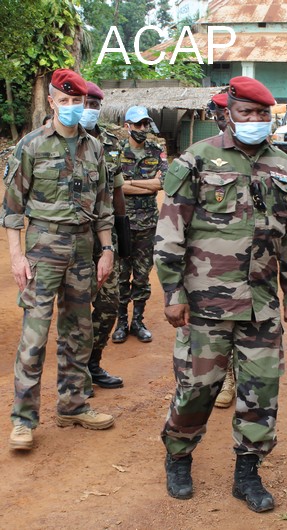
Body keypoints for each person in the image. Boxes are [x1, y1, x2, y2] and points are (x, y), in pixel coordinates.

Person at [154, 76, 287, 510]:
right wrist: (172, 292)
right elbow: (170, 232)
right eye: (247, 113)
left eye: (263, 114)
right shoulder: (196, 160)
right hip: (206, 303)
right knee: (198, 389)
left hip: (262, 303)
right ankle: (178, 455)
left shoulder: (284, 166)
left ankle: (248, 473)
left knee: (261, 391)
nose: (256, 121)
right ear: (229, 114)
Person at [1, 69, 115, 451]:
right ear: (51, 102)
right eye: (64, 101)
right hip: (42, 249)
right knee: (34, 338)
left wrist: (108, 249)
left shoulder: (95, 148)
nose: (71, 108)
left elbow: (102, 206)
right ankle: (23, 420)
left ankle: (73, 405)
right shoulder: (31, 146)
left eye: (76, 102)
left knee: (78, 333)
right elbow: (12, 210)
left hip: (83, 250)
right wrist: (17, 256)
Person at [81, 81, 127, 392]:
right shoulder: (51, 140)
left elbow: (118, 189)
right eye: (83, 103)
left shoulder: (111, 143)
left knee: (110, 303)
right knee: (77, 307)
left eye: (93, 105)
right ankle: (76, 373)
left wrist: (123, 231)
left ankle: (93, 363)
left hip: (107, 236)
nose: (88, 110)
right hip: (72, 241)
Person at [111, 106, 167, 344]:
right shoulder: (115, 153)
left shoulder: (156, 150)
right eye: (137, 125)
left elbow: (161, 184)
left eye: (145, 124)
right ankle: (121, 322)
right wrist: (145, 183)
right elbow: (117, 186)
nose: (142, 129)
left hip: (148, 225)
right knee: (122, 277)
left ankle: (138, 321)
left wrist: (129, 182)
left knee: (142, 277)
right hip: (121, 224)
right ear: (127, 127)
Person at [207, 93, 236, 408]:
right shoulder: (204, 155)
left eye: (225, 112)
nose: (221, 116)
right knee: (221, 326)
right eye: (216, 112)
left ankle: (247, 382)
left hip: (252, 260)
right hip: (215, 259)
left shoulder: (266, 155)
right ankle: (227, 382)